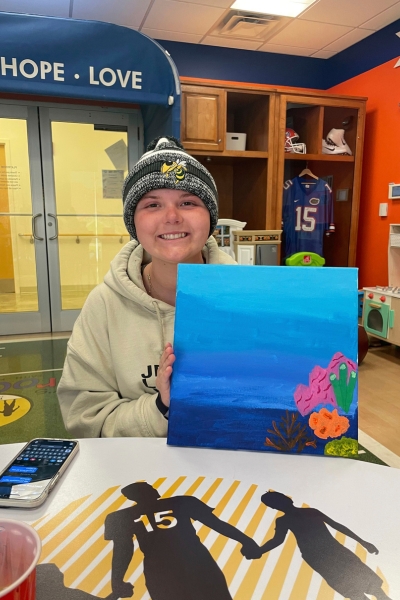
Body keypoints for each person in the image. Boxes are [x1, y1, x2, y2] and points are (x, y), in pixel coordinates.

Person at [58, 136, 236, 437]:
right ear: (133, 223)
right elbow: (84, 420)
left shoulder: (247, 297)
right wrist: (161, 407)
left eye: (188, 202)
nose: (171, 217)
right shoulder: (104, 305)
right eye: (152, 204)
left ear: (210, 218)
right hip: (137, 474)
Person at [104, 481, 261, 600]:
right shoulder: (182, 502)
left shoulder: (121, 516)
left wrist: (117, 581)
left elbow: (123, 549)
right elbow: (216, 524)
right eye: (148, 488)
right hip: (192, 564)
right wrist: (246, 541)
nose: (153, 488)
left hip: (169, 569)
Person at [243, 491, 391, 600]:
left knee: (370, 586)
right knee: (354, 591)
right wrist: (260, 550)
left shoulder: (309, 512)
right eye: (275, 502)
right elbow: (277, 540)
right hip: (319, 557)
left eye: (278, 499)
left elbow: (337, 526)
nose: (280, 502)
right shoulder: (285, 520)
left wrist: (363, 542)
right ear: (275, 506)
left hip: (332, 551)